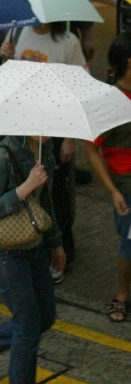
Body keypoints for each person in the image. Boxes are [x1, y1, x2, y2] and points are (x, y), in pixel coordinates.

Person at [0, 134, 64, 384]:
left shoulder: (45, 148)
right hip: (7, 253)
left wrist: (56, 242)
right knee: (28, 325)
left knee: (46, 316)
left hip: (35, 246)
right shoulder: (2, 157)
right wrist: (26, 187)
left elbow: (46, 201)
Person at [1, 19, 84, 283]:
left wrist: (70, 137)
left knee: (56, 193)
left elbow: (79, 88)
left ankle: (62, 253)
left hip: (56, 127)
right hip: (24, 124)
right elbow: (8, 80)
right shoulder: (18, 32)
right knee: (25, 187)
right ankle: (28, 245)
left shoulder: (68, 42)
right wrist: (6, 58)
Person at [84, 33, 131, 323]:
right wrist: (112, 190)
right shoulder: (111, 102)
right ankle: (122, 295)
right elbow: (90, 149)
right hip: (127, 186)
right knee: (129, 243)